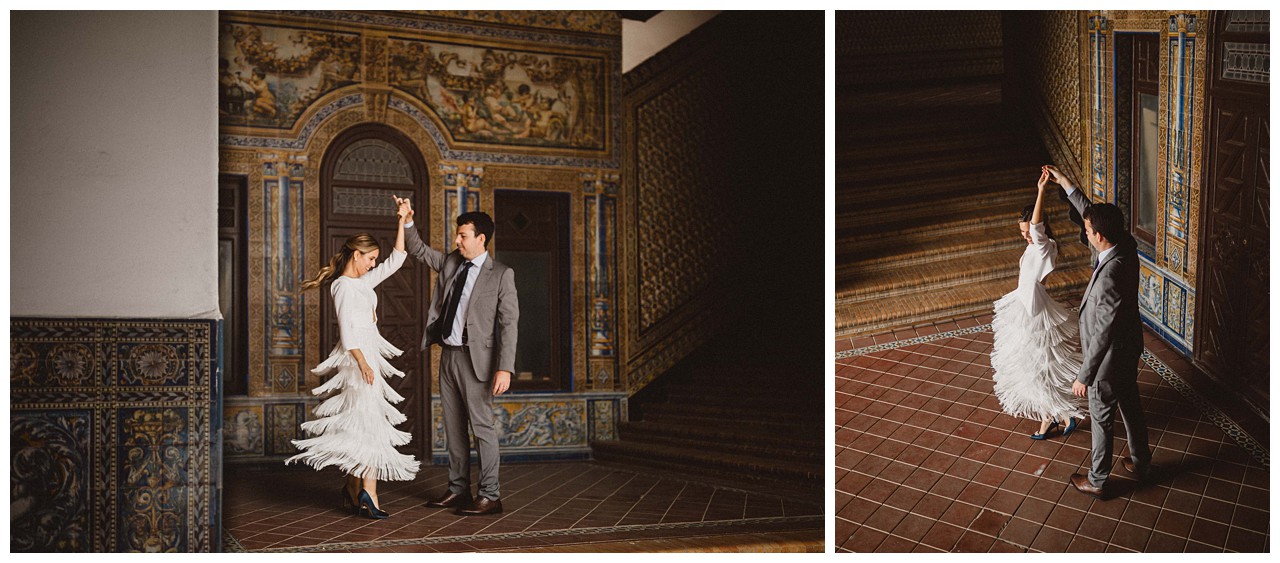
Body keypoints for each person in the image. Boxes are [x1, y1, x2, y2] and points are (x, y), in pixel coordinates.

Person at [286, 197, 418, 519]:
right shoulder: (344, 286)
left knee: (362, 424)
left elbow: (397, 260)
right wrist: (363, 363)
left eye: (375, 259)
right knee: (370, 424)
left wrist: (402, 220)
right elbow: (347, 332)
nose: (374, 264)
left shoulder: (361, 282)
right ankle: (368, 494)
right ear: (356, 255)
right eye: (370, 258)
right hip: (359, 359)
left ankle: (353, 488)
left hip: (367, 355)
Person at [396, 198, 518, 516]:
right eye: (457, 234)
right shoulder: (452, 262)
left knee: (482, 428)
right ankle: (458, 489)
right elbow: (420, 250)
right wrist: (408, 220)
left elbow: (509, 323)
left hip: (478, 362)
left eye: (463, 235)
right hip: (448, 357)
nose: (457, 240)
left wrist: (504, 367)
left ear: (481, 238)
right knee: (453, 428)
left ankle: (490, 495)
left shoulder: (501, 274)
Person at [1044, 165, 1152, 500]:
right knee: (1130, 404)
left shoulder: (1108, 276)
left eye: (1088, 231)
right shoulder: (1125, 245)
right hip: (1128, 348)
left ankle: (1098, 480)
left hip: (1108, 358)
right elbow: (1093, 215)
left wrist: (1084, 375)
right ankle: (1141, 462)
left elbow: (1104, 330)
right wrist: (1066, 185)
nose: (1086, 233)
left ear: (1100, 237)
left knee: (1103, 416)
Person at [990, 169, 1086, 440]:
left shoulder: (1044, 244)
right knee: (1034, 365)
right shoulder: (1033, 247)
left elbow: (1036, 228)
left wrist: (1041, 191)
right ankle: (1056, 416)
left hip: (1034, 311)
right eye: (1022, 232)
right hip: (1024, 304)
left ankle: (1056, 416)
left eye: (1027, 230)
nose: (1026, 236)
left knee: (1040, 365)